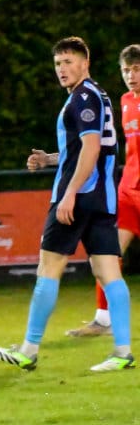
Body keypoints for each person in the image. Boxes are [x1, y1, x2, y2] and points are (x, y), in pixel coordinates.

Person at [0, 37, 133, 373]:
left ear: (85, 63)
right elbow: (86, 149)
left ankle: (29, 349)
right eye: (58, 63)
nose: (62, 69)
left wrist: (70, 193)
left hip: (78, 197)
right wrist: (49, 159)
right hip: (102, 198)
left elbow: (91, 148)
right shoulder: (98, 95)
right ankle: (123, 352)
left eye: (68, 62)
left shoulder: (83, 97)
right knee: (107, 271)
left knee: (49, 268)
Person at [65, 44, 140, 337]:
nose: (130, 76)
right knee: (105, 253)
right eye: (126, 70)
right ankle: (104, 319)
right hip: (128, 189)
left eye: (136, 69)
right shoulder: (125, 100)